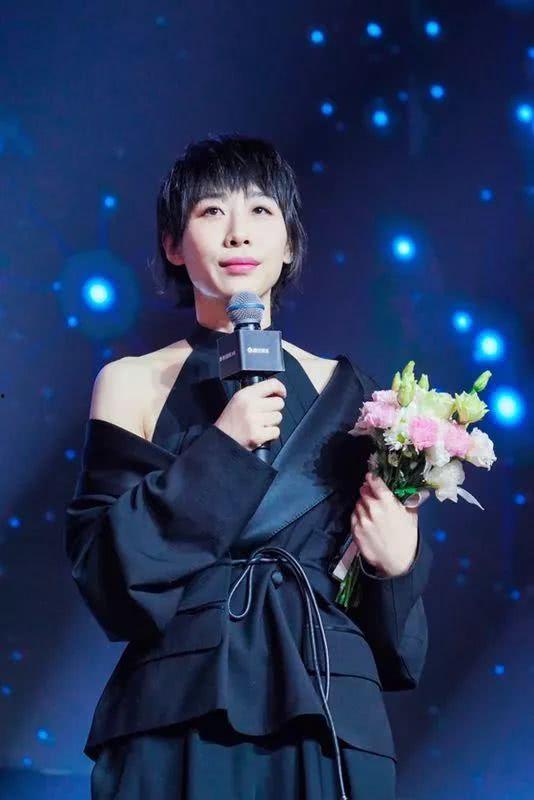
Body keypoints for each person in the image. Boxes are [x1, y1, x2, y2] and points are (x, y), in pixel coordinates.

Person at [65, 133, 434, 800]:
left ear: (289, 243)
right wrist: (223, 451)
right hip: (184, 693)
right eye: (211, 211)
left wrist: (396, 562)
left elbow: (374, 594)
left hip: (325, 694)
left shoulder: (354, 393)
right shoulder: (132, 382)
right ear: (173, 245)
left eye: (261, 211)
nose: (238, 232)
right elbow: (105, 571)